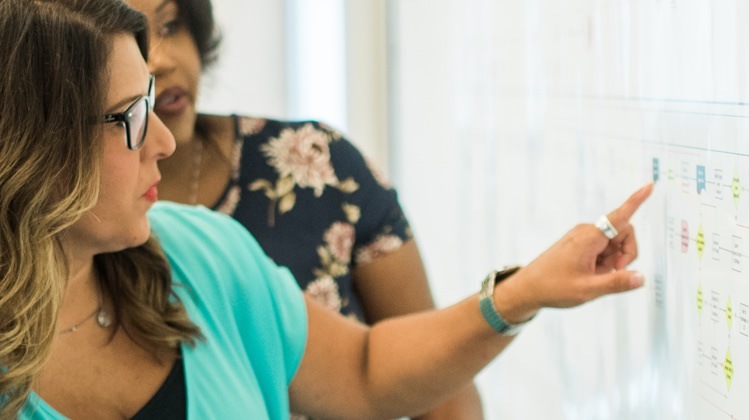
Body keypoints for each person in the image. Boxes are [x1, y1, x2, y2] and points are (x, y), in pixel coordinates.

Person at [0, 0, 653, 418]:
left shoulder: (201, 252)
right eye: (131, 117)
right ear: (32, 140)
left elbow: (366, 372)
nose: (165, 142)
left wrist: (522, 293)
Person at [123, 0, 482, 416]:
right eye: (135, 40)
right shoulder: (77, 228)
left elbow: (442, 388)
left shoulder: (317, 165)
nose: (161, 60)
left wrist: (512, 300)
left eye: (171, 25)